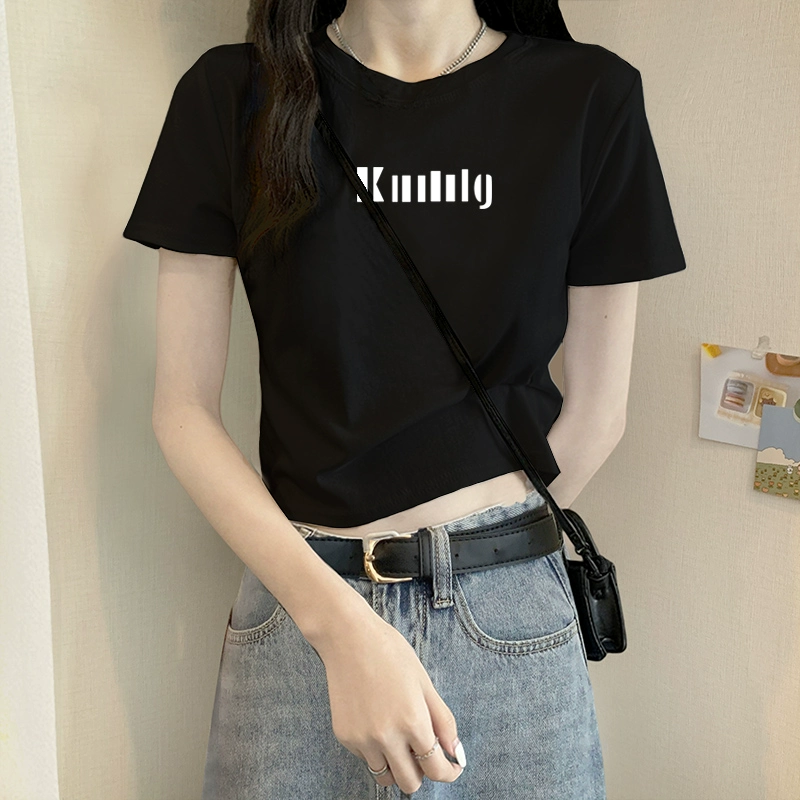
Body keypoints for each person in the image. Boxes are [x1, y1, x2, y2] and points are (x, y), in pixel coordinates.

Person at [122, 0, 686, 797]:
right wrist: (338, 626)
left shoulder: (590, 95)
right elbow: (182, 412)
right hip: (300, 609)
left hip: (510, 618)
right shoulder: (232, 92)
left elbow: (600, 412)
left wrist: (481, 555)